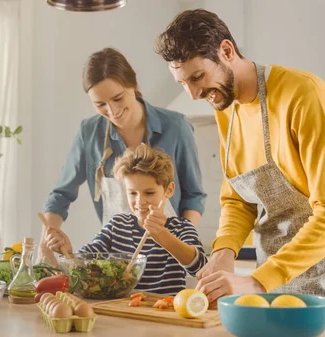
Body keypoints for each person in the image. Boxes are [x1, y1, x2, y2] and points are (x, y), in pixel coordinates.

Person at [154, 9, 325, 321]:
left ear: (226, 51)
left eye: (197, 77)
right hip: (269, 277)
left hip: (321, 277)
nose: (193, 94)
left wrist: (257, 280)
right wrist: (224, 253)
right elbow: (237, 198)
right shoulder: (226, 107)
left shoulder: (305, 96)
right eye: (182, 82)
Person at [40, 48, 206, 264]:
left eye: (118, 98)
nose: (112, 110)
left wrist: (179, 241)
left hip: (170, 257)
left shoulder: (176, 126)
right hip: (116, 259)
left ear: (133, 86)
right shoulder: (89, 133)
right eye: (100, 104)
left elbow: (194, 195)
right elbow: (61, 195)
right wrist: (47, 243)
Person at [45, 144, 207, 295]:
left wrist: (162, 236)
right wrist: (68, 252)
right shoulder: (117, 226)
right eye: (132, 193)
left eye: (149, 193)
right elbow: (83, 264)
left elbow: (200, 267)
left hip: (164, 314)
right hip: (121, 312)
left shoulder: (181, 228)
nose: (140, 201)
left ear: (169, 190)